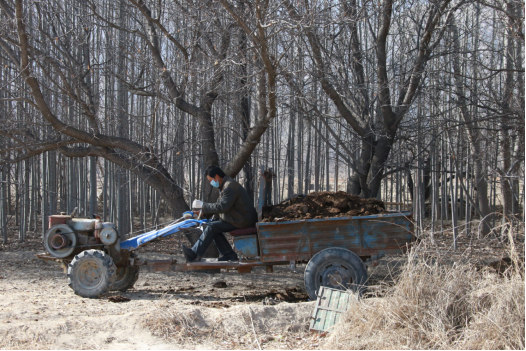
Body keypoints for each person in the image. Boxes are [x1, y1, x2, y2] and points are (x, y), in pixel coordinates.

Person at [182, 165, 258, 262]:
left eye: (210, 180)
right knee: (213, 225)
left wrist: (203, 205)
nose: (211, 183)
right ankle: (229, 254)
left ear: (216, 177)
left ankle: (194, 254)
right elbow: (218, 206)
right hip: (239, 218)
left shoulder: (229, 187)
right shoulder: (225, 185)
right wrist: (199, 214)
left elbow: (223, 207)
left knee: (212, 227)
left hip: (243, 220)